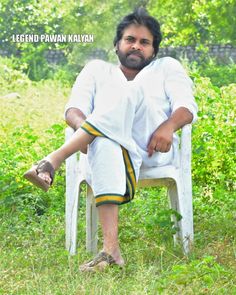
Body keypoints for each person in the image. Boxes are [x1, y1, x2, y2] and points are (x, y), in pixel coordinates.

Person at [25, 7, 198, 271]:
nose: (136, 46)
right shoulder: (97, 70)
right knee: (104, 142)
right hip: (106, 153)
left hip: (151, 148)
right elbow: (73, 110)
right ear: (117, 44)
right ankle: (110, 251)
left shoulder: (165, 68)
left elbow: (186, 107)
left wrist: (168, 126)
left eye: (144, 42)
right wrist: (89, 133)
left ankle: (53, 159)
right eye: (130, 39)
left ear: (154, 50)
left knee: (127, 92)